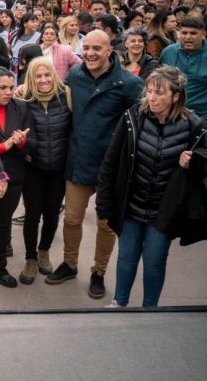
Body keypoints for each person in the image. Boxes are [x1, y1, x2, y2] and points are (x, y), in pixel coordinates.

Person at [98, 66, 207, 307]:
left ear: (176, 96)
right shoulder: (132, 118)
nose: (152, 97)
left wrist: (195, 160)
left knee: (155, 261)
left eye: (159, 92)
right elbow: (110, 163)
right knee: (126, 258)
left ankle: (150, 310)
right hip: (132, 206)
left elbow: (204, 158)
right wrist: (103, 205)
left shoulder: (194, 125)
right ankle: (120, 303)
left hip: (164, 210)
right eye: (149, 91)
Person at [47, 30, 143, 298]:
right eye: (86, 47)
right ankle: (69, 264)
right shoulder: (75, 76)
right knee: (73, 219)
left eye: (96, 48)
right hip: (78, 160)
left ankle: (98, 271)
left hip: (111, 167)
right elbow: (58, 102)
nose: (89, 53)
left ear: (110, 50)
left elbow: (138, 125)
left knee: (105, 224)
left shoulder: (129, 84)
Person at [17, 58, 72, 285]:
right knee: (32, 215)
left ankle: (44, 251)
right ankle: (30, 258)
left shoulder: (67, 96)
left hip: (58, 168)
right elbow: (16, 132)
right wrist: (23, 151)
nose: (43, 80)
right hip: (34, 168)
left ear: (54, 75)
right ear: (31, 78)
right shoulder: (24, 100)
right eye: (38, 76)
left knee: (51, 214)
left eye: (47, 75)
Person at [0, 68, 34, 288]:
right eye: (2, 88)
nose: (8, 92)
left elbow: (33, 143)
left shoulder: (21, 107)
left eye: (11, 88)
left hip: (13, 175)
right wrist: (5, 146)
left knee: (2, 223)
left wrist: (22, 142)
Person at [158, 17, 207, 120]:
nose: (188, 37)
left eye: (193, 33)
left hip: (202, 117)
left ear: (203, 35)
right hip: (171, 116)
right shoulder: (168, 52)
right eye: (184, 33)